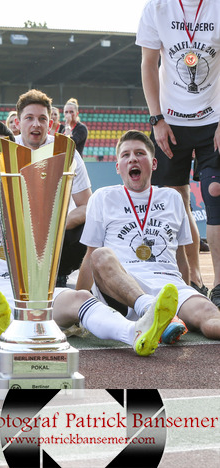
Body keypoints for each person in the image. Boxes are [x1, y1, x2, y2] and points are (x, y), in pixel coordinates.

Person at [0, 126, 179, 357]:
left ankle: (136, 332)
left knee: (79, 298)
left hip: (26, 290)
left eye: (4, 154)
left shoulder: (25, 189)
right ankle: (1, 334)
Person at [77, 130, 220, 343]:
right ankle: (152, 311)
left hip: (169, 288)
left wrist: (188, 289)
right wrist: (77, 302)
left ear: (153, 164)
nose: (132, 158)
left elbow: (180, 257)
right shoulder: (103, 197)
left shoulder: (172, 198)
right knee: (101, 255)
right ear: (118, 167)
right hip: (121, 287)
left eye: (139, 153)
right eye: (125, 155)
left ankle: (164, 318)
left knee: (209, 315)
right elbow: (90, 258)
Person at [137, 0, 219, 300]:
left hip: (213, 119)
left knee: (214, 191)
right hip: (171, 122)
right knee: (174, 200)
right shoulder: (156, 7)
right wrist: (156, 118)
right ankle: (191, 277)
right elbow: (147, 64)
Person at [14, 89, 92, 288]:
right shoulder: (5, 150)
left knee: (89, 228)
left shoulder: (67, 151)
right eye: (29, 118)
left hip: (57, 233)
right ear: (18, 123)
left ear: (50, 124)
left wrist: (55, 225)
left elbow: (86, 205)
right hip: (17, 229)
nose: (35, 124)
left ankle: (61, 274)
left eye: (42, 119)